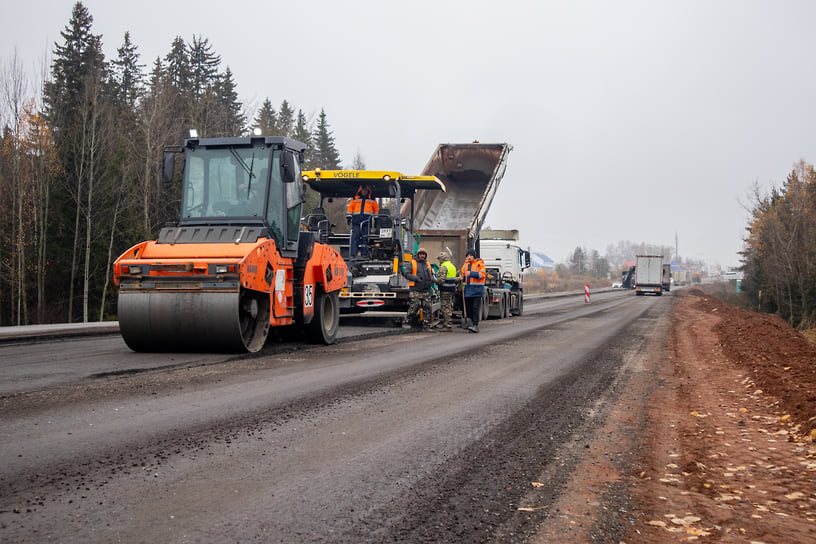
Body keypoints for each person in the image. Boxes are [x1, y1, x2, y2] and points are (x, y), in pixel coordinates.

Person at [402, 247, 437, 329]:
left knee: (427, 307)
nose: (422, 256)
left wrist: (431, 281)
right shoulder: (412, 263)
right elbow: (407, 273)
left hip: (426, 290)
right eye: (421, 254)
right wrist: (416, 278)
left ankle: (426, 323)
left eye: (424, 254)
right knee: (414, 306)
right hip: (415, 289)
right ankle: (407, 321)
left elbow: (430, 274)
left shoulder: (427, 264)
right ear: (418, 255)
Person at [347, 185, 379, 258]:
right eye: (363, 190)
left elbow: (376, 209)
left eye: (365, 190)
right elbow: (350, 208)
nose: (364, 191)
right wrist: (349, 217)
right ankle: (353, 254)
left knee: (365, 238)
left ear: (368, 191)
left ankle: (364, 254)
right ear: (360, 191)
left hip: (367, 222)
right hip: (356, 221)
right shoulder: (355, 198)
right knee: (355, 238)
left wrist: (376, 219)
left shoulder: (372, 199)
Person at [461, 248, 486, 333]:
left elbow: (482, 275)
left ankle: (476, 325)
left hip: (477, 290)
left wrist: (471, 274)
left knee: (475, 308)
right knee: (469, 308)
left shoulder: (480, 264)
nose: (469, 257)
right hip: (468, 290)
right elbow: (463, 273)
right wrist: (462, 277)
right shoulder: (465, 265)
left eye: (471, 255)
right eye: (468, 256)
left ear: (474, 256)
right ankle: (471, 324)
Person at [435, 251, 459, 329]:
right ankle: (448, 323)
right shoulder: (452, 266)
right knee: (448, 306)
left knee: (445, 307)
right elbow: (454, 279)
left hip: (445, 289)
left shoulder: (443, 267)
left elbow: (441, 280)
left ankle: (447, 324)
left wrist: (434, 280)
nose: (439, 260)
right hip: (451, 289)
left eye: (439, 259)